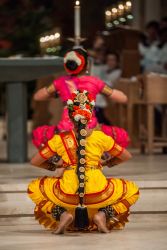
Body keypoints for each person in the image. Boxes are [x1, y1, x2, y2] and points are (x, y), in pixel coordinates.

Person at [28, 90, 139, 234]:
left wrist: (56, 165)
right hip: (99, 193)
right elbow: (126, 156)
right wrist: (105, 163)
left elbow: (35, 161)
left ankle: (62, 214)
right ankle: (103, 214)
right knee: (132, 190)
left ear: (69, 117)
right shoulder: (100, 137)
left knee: (34, 187)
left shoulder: (60, 139)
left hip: (67, 194)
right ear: (91, 116)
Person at [32, 48, 129, 151]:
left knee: (38, 136)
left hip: (65, 131)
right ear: (87, 66)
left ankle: (57, 162)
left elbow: (37, 96)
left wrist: (55, 94)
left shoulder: (60, 82)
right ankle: (102, 160)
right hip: (91, 130)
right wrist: (102, 91)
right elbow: (123, 99)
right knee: (123, 137)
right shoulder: (95, 82)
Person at [95, 52, 122, 124]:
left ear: (117, 62)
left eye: (113, 60)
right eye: (109, 60)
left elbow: (110, 84)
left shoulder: (118, 72)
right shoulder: (104, 69)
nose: (110, 62)